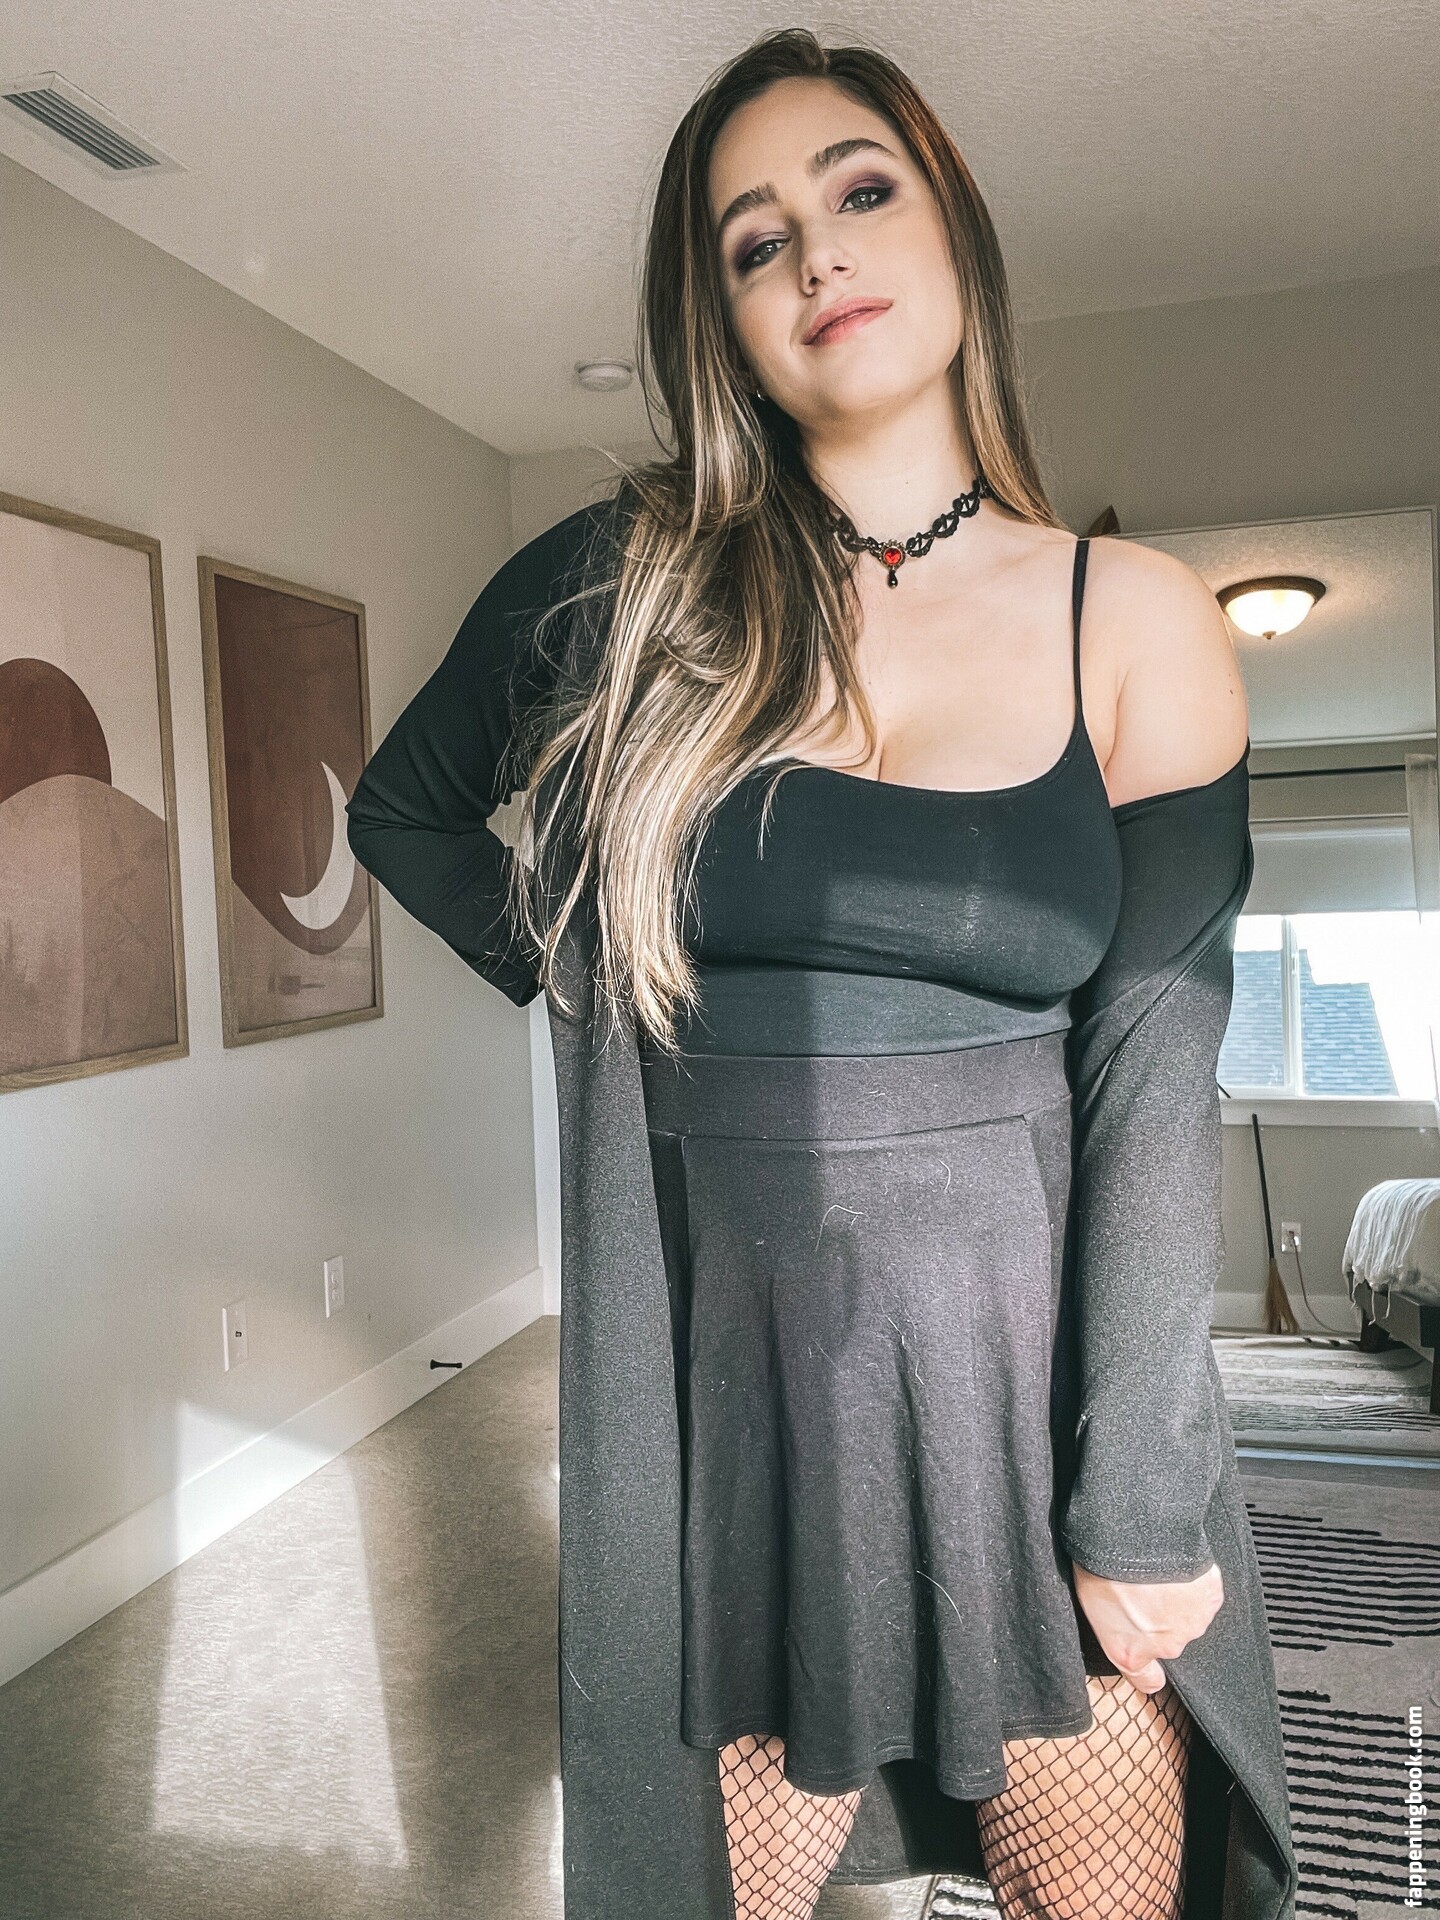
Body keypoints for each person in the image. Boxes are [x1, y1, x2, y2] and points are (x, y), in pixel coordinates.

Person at [345, 29, 1298, 1920]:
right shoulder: (625, 587)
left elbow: (1151, 1065)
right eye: (753, 239)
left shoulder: (1133, 616)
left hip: (1031, 1363)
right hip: (741, 1389)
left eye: (861, 189)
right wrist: (596, 980)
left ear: (954, 234)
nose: (818, 254)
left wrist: (1134, 1487)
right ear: (722, 321)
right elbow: (407, 812)